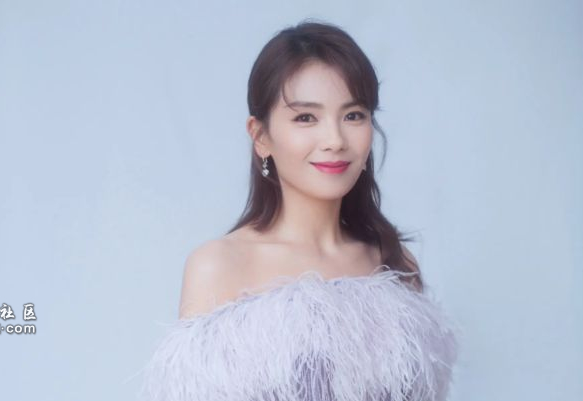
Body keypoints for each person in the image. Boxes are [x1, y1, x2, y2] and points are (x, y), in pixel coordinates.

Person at [140, 19, 459, 401]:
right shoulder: (219, 265)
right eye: (306, 117)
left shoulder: (393, 262)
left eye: (353, 115)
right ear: (261, 136)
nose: (335, 140)